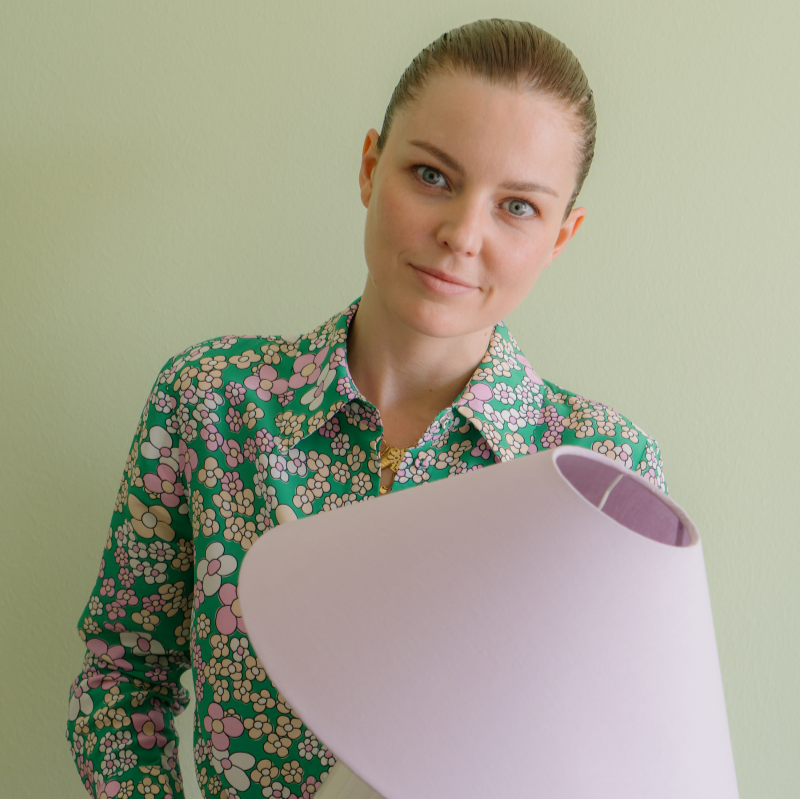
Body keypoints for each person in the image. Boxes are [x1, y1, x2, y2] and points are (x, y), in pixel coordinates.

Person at [66, 18, 668, 799]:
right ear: (370, 168)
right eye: (432, 175)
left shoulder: (604, 470)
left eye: (518, 206)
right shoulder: (208, 402)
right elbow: (121, 676)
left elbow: (621, 748)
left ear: (562, 236)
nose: (462, 234)